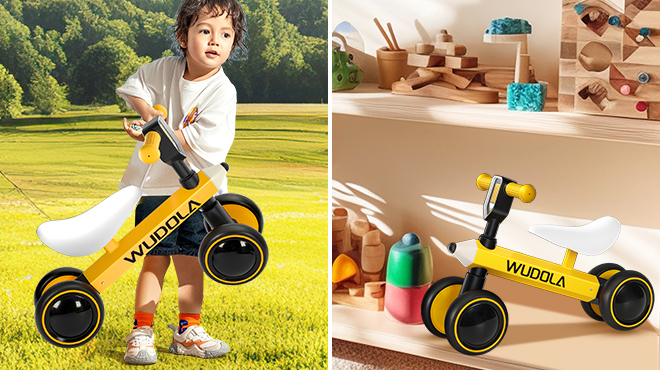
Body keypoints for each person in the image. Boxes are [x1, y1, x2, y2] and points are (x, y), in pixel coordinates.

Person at [115, 0, 247, 365]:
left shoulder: (223, 91)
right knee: (154, 258)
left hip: (198, 190)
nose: (214, 41)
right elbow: (135, 86)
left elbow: (205, 140)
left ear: (233, 44)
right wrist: (148, 115)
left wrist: (158, 131)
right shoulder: (164, 71)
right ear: (183, 37)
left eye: (225, 34)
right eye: (205, 30)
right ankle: (142, 331)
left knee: (191, 259)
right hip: (157, 187)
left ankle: (188, 331)